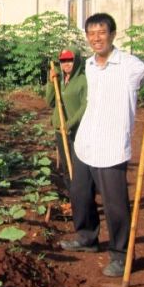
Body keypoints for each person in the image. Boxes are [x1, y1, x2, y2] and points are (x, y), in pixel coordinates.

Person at [59, 13, 144, 278]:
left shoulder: (128, 64)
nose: (96, 38)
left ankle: (120, 255)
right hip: (86, 143)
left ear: (112, 34)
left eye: (101, 32)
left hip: (111, 147)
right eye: (91, 33)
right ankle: (87, 238)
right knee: (80, 195)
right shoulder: (87, 64)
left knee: (115, 206)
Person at [43, 48, 87, 191]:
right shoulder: (59, 80)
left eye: (70, 60)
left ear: (77, 61)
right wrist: (51, 82)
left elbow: (85, 106)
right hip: (60, 130)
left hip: (75, 131)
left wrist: (70, 124)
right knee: (66, 168)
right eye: (63, 61)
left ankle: (82, 199)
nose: (66, 64)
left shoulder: (83, 81)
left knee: (78, 168)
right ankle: (72, 198)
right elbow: (50, 102)